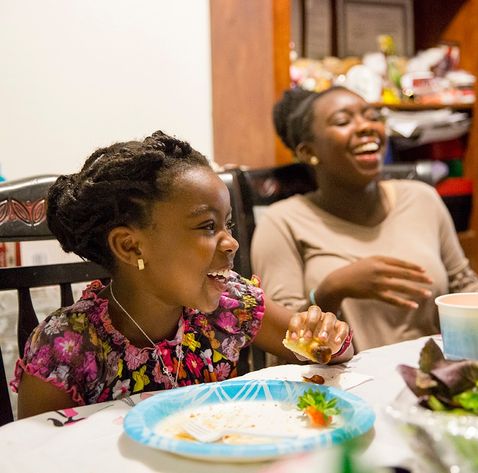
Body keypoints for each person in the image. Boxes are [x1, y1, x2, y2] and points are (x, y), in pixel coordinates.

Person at [10, 131, 352, 419]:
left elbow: (320, 352)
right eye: (207, 226)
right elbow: (37, 454)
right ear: (130, 247)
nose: (231, 242)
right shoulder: (65, 348)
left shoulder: (230, 306)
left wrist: (330, 338)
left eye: (227, 224)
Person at [251, 86, 478, 352]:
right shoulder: (281, 223)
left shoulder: (423, 199)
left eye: (372, 117)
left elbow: (463, 287)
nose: (366, 127)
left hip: (431, 379)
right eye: (343, 121)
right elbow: (282, 339)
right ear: (308, 152)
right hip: (340, 388)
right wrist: (332, 289)